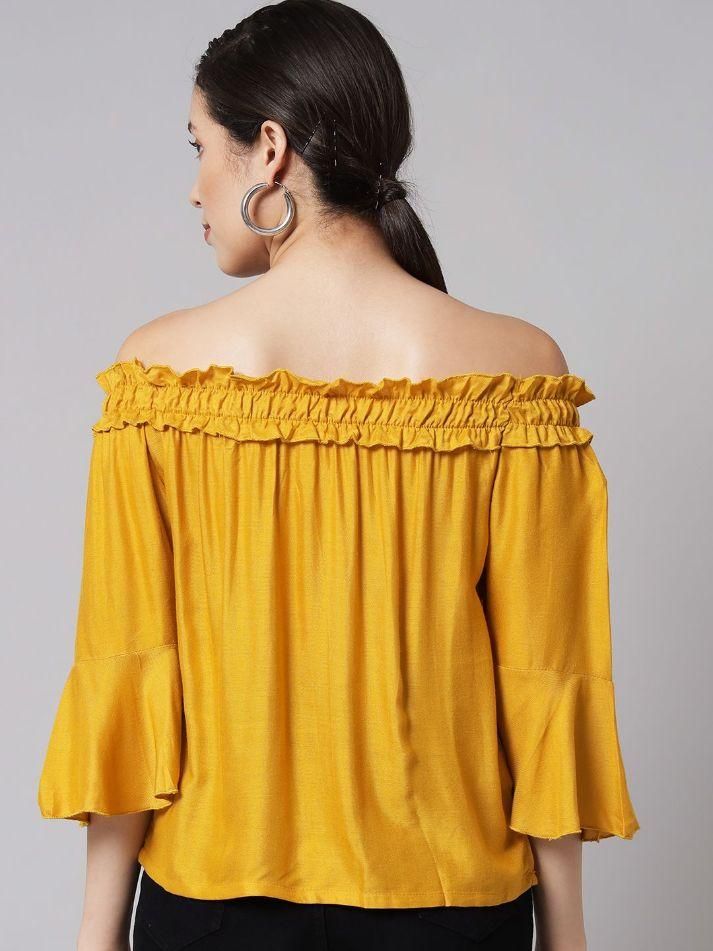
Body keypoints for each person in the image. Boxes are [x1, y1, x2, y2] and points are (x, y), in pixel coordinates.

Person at [37, 2, 640, 949]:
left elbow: (129, 667)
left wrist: (94, 932)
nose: (193, 189)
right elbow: (544, 682)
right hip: (452, 910)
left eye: (200, 147)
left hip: (213, 908)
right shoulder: (516, 376)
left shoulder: (158, 381)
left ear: (270, 150)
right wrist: (567, 937)